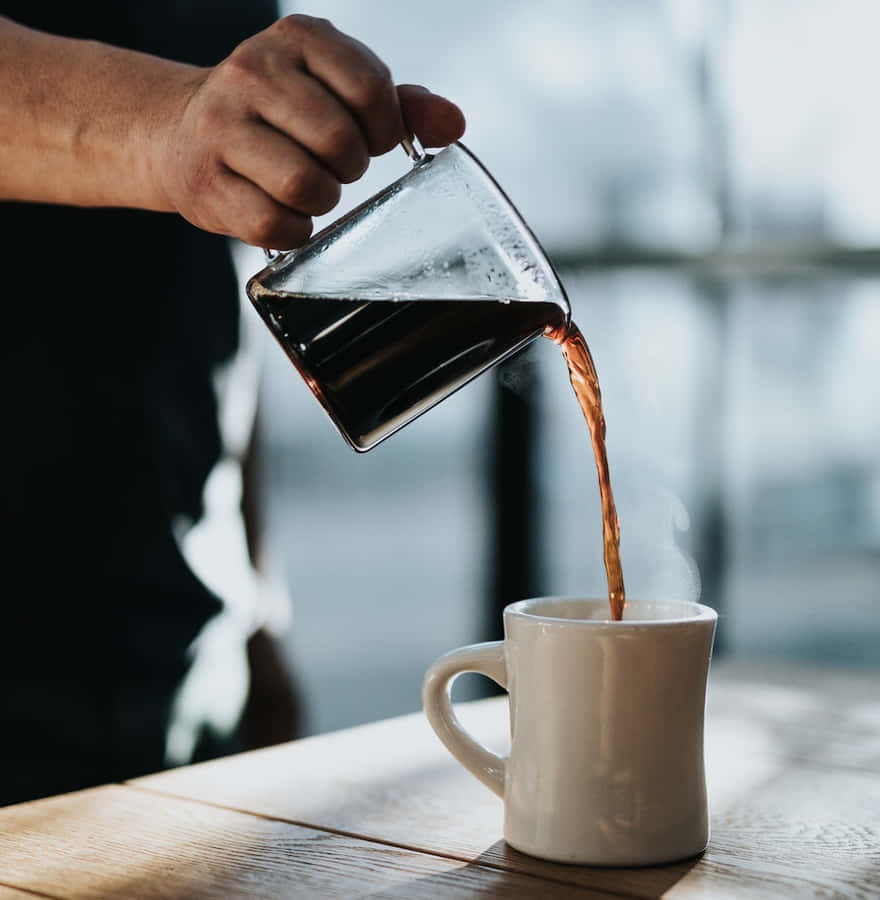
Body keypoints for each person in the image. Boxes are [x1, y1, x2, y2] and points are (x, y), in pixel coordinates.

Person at [0, 6, 465, 806]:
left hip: (191, 639)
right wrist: (166, 122)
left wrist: (259, 609)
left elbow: (211, 278)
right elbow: (198, 139)